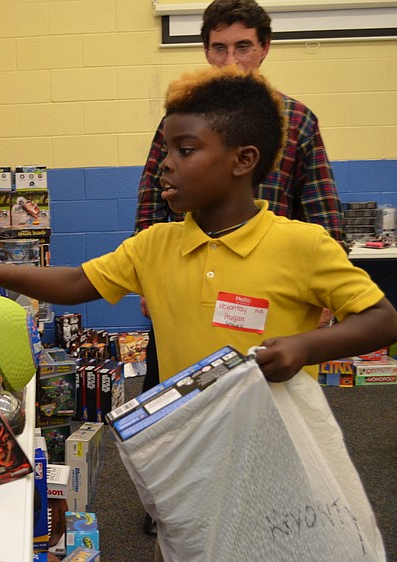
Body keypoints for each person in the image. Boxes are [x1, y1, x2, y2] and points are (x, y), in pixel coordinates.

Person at [0, 66, 397, 558]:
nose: (164, 166)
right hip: (188, 447)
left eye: (184, 151)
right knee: (189, 542)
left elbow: (382, 319)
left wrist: (304, 347)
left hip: (273, 448)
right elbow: (78, 282)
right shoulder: (155, 245)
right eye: (166, 150)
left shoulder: (302, 245)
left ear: (243, 160)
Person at [136, 0, 343, 412]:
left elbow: (321, 207)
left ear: (264, 48)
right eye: (219, 48)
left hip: (268, 287)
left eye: (243, 47)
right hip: (187, 281)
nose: (231, 61)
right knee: (174, 404)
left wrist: (325, 292)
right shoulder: (181, 118)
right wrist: (145, 276)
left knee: (266, 402)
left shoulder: (296, 120)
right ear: (206, 51)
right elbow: (152, 196)